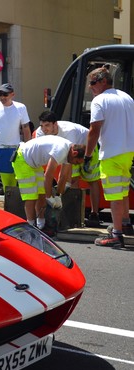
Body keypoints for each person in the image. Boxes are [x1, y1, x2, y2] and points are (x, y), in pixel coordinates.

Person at [85, 67, 134, 248]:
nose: (91, 88)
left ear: (103, 81)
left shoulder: (100, 100)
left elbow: (94, 129)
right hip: (128, 152)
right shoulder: (127, 97)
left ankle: (117, 234)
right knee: (122, 191)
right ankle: (127, 223)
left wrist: (88, 155)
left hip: (111, 153)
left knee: (114, 195)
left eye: (92, 83)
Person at [34, 110, 102, 227]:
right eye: (42, 126)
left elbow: (69, 162)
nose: (44, 129)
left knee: (92, 180)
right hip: (69, 151)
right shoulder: (41, 132)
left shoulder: (69, 132)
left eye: (47, 126)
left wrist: (62, 185)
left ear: (55, 124)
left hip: (88, 147)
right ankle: (74, 214)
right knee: (73, 180)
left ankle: (94, 213)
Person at [12, 134, 86, 234]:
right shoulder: (61, 150)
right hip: (22, 159)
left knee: (41, 194)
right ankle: (30, 227)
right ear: (75, 153)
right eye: (76, 162)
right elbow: (48, 175)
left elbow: (63, 176)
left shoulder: (69, 153)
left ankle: (41, 225)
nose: (75, 164)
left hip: (33, 163)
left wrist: (58, 196)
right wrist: (49, 197)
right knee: (31, 196)